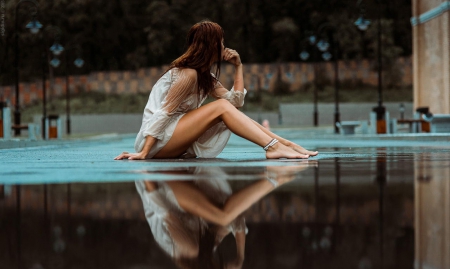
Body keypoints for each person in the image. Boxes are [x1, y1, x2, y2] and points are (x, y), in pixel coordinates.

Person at [114, 20, 318, 161]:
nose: (224, 45)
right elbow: (164, 112)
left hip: (173, 139)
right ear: (211, 45)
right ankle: (272, 147)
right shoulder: (187, 74)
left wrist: (238, 66)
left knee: (226, 108)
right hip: (157, 140)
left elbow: (235, 104)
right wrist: (144, 153)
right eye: (220, 41)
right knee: (220, 107)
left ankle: (286, 145)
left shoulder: (205, 78)